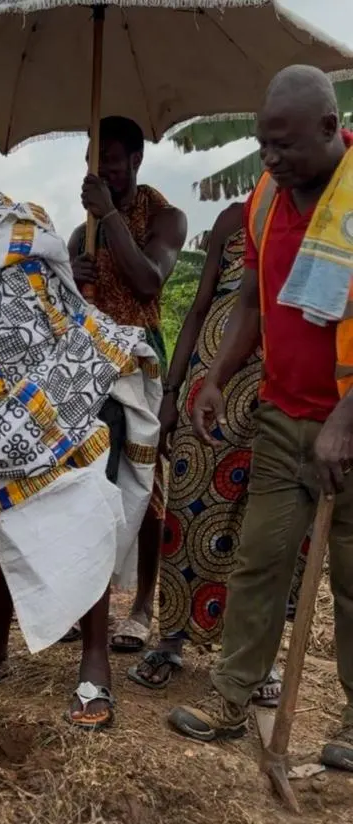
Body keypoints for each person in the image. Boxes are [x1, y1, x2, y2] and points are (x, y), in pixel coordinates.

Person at [0, 160, 162, 729]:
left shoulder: (10, 267)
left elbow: (0, 362)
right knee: (1, 530)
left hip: (66, 411)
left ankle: (94, 670)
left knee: (80, 532)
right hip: (17, 413)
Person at [168, 65, 353, 773]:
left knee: (352, 579)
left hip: (351, 423)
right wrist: (215, 377)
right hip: (283, 415)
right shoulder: (267, 198)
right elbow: (251, 297)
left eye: (285, 145)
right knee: (259, 560)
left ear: (331, 129)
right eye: (262, 144)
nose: (270, 159)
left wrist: (344, 420)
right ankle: (230, 698)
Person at [127, 203, 308, 698]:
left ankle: (254, 655)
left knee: (272, 524)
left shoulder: (335, 216)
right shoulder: (236, 218)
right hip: (213, 378)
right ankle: (171, 640)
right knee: (189, 505)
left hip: (287, 379)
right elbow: (199, 308)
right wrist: (171, 391)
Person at [69, 115, 187, 652]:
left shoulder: (166, 217)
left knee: (145, 480)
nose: (102, 172)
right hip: (91, 362)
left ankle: (140, 607)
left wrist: (110, 216)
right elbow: (65, 306)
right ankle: (83, 600)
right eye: (95, 163)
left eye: (112, 161)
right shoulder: (84, 231)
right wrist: (73, 277)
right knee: (87, 481)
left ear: (136, 159)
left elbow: (148, 282)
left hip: (140, 364)